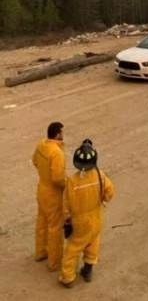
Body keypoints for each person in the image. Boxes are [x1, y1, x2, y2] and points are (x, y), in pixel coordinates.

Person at [59, 139, 115, 288]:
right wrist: (102, 199)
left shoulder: (72, 181)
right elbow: (109, 193)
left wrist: (67, 220)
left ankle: (68, 278)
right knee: (93, 244)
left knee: (72, 250)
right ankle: (88, 270)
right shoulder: (101, 176)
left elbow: (65, 206)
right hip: (96, 218)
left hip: (79, 222)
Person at [32, 121, 66, 271]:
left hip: (42, 189)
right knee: (54, 227)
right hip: (52, 194)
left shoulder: (41, 145)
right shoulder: (56, 152)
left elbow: (34, 161)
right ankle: (54, 262)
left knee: (41, 221)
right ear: (58, 134)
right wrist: (68, 186)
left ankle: (40, 252)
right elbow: (58, 178)